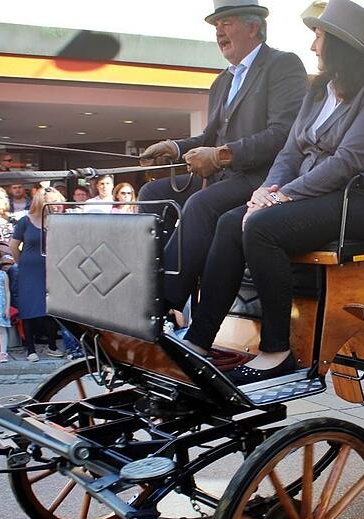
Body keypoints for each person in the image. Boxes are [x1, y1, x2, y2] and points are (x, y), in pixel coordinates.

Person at [180, 0, 364, 384]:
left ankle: (277, 350)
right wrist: (265, 190)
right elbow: (289, 151)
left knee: (261, 228)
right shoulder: (318, 92)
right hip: (313, 194)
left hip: (356, 200)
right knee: (231, 222)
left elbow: (347, 162)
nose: (313, 46)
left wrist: (283, 196)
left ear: (338, 44)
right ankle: (199, 339)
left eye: (318, 37)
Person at [137, 0, 307, 314]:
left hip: (261, 180)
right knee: (151, 194)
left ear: (254, 27)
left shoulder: (283, 65)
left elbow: (283, 132)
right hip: (220, 178)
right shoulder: (222, 81)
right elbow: (208, 139)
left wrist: (221, 155)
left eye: (226, 23)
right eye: (216, 26)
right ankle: (140, 279)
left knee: (200, 205)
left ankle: (160, 303)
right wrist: (173, 147)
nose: (219, 32)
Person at [9, 187, 66, 362]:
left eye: (58, 201)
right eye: (52, 201)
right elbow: (13, 245)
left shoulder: (58, 221)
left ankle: (52, 345)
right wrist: (21, 262)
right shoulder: (25, 221)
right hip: (29, 268)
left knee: (49, 306)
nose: (56, 205)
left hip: (52, 268)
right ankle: (30, 349)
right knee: (28, 307)